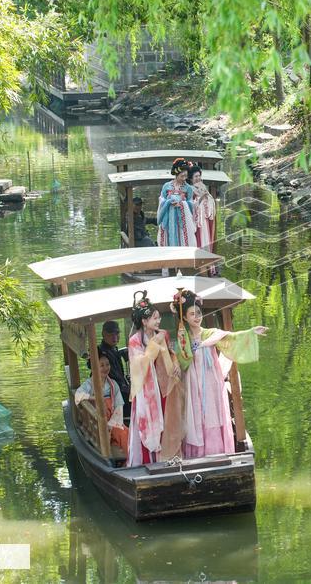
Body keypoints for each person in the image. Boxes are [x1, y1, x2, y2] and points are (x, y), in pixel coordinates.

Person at [171, 289, 268, 458]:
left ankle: (218, 451)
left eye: (199, 313)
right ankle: (198, 454)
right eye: (192, 314)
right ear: (184, 317)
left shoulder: (210, 333)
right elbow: (179, 360)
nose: (197, 317)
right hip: (193, 383)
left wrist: (251, 332)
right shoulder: (183, 338)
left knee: (213, 413)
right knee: (197, 414)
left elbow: (231, 337)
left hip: (212, 382)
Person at [126, 291, 178, 467]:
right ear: (144, 321)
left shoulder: (162, 334)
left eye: (158, 318)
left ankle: (166, 458)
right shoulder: (134, 340)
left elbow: (170, 354)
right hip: (145, 390)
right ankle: (148, 462)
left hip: (161, 386)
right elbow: (138, 363)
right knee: (147, 421)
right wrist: (155, 344)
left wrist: (175, 362)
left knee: (165, 419)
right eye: (154, 318)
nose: (158, 321)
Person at [76, 352, 129, 453]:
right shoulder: (89, 383)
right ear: (94, 367)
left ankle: (129, 462)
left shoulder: (113, 384)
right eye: (102, 365)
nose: (106, 368)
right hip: (96, 420)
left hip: (113, 420)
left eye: (107, 364)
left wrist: (111, 424)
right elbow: (78, 395)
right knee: (105, 435)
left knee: (125, 433)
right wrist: (93, 398)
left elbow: (118, 405)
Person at [93, 320, 131, 419]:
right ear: (104, 334)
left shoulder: (113, 350)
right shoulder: (101, 352)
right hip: (114, 395)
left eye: (117, 333)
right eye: (111, 334)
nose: (115, 337)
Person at [157, 158, 196, 247]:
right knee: (169, 236)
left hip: (182, 219)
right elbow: (162, 199)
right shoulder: (166, 186)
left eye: (186, 176)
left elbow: (191, 203)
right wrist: (168, 202)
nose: (184, 178)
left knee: (182, 237)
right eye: (182, 176)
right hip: (168, 217)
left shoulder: (188, 188)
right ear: (176, 174)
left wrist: (182, 204)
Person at [187, 164, 217, 253]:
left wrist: (207, 197)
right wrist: (201, 198)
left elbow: (211, 203)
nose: (198, 178)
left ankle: (207, 263)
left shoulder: (203, 188)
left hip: (205, 221)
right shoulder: (190, 190)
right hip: (197, 222)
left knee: (206, 241)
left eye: (199, 176)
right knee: (199, 242)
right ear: (191, 178)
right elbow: (190, 206)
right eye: (196, 176)